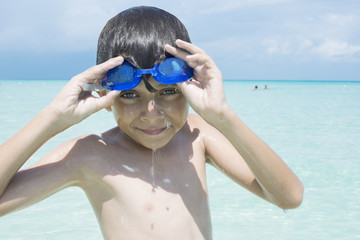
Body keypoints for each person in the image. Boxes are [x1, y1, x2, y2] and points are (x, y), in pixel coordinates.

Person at [0, 6, 303, 240]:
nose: (151, 112)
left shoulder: (197, 137)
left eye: (169, 92)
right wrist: (53, 118)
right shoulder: (90, 155)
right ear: (105, 95)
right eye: (130, 95)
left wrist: (223, 115)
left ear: (192, 86)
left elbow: (289, 197)